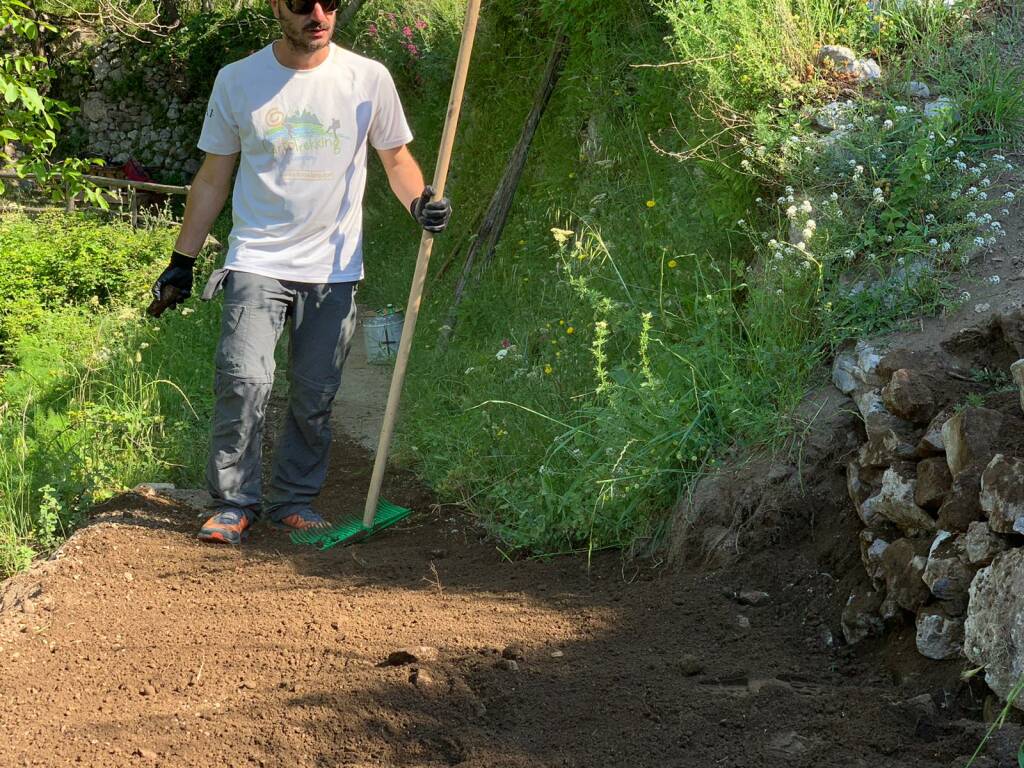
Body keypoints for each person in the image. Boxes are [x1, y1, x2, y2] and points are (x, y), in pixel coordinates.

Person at [150, 0, 451, 544]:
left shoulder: (368, 78)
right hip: (256, 259)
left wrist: (420, 203)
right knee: (243, 380)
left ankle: (295, 497)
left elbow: (396, 160)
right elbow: (214, 177)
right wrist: (182, 261)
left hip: (333, 267)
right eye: (301, 3)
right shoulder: (238, 80)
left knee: (315, 393)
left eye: (330, 1)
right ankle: (234, 501)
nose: (318, 13)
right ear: (275, 6)